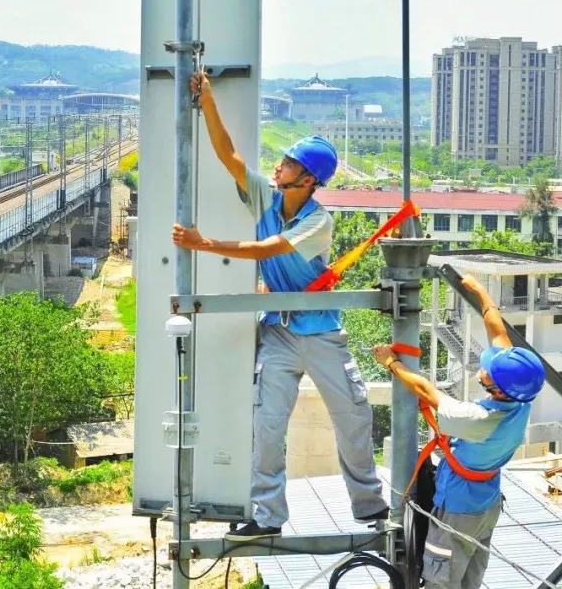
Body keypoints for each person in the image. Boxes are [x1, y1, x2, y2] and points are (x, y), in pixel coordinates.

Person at [171, 71, 388, 540]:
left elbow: (269, 250)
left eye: (290, 164)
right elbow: (229, 155)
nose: (280, 166)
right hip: (280, 335)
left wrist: (202, 243)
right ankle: (268, 518)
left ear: (308, 180)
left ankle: (370, 507)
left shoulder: (318, 222)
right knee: (268, 428)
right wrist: (207, 100)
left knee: (352, 417)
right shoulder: (267, 196)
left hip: (322, 334)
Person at [373, 275, 546, 589]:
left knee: (442, 580)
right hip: (486, 504)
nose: (483, 368)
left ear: (497, 388)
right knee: (469, 580)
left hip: (458, 511)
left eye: (487, 371)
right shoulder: (520, 399)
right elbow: (498, 333)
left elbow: (426, 391)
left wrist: (393, 363)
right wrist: (481, 293)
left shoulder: (480, 418)